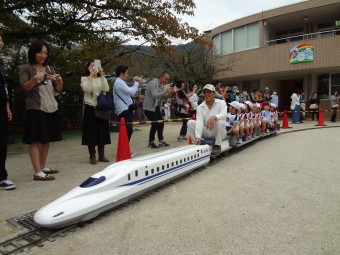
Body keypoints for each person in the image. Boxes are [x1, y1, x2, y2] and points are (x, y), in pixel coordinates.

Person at [19, 40, 63, 181]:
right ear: (33, 52)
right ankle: (37, 172)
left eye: (45, 53)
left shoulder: (50, 69)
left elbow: (58, 90)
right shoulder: (26, 68)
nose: (43, 55)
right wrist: (35, 78)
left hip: (51, 107)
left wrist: (60, 82)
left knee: (46, 140)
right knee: (35, 140)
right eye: (40, 52)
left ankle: (43, 167)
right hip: (35, 108)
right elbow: (25, 87)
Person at [81, 60, 110, 164]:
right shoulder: (84, 78)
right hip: (90, 107)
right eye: (91, 66)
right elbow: (87, 89)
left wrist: (102, 76)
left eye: (96, 66)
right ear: (88, 68)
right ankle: (92, 156)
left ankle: (101, 155)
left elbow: (106, 89)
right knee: (91, 133)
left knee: (102, 131)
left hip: (101, 107)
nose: (94, 68)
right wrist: (91, 77)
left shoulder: (100, 78)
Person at [187, 84, 228, 155]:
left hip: (218, 132)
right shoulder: (200, 107)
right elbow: (199, 122)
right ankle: (197, 143)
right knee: (190, 122)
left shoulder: (221, 103)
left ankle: (217, 145)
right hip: (207, 131)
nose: (206, 94)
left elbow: (224, 114)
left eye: (209, 92)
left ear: (214, 93)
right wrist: (198, 137)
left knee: (220, 122)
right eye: (205, 92)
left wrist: (214, 117)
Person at [143, 71, 174, 148]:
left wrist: (170, 93)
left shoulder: (162, 86)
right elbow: (154, 95)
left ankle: (161, 141)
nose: (166, 81)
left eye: (168, 80)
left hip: (156, 107)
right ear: (161, 76)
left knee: (161, 122)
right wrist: (165, 91)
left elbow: (164, 97)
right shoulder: (153, 83)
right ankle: (151, 142)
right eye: (165, 79)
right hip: (149, 107)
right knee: (155, 123)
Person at [0, 34, 15, 189]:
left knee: (2, 142)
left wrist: (7, 106)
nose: (2, 43)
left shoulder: (1, 62)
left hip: (1, 103)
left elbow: (3, 87)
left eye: (2, 40)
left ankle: (2, 176)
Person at [113, 65, 142, 141]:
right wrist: (136, 83)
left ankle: (125, 150)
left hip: (125, 109)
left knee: (127, 131)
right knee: (127, 131)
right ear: (122, 73)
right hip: (124, 110)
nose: (127, 75)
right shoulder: (119, 82)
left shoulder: (120, 82)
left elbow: (129, 92)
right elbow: (131, 92)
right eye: (126, 73)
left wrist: (136, 83)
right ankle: (124, 151)